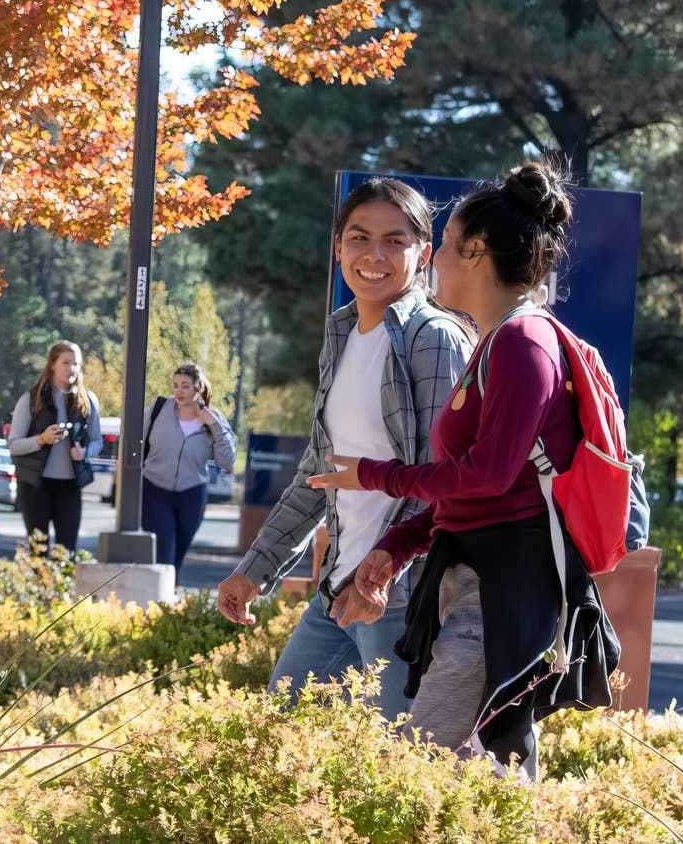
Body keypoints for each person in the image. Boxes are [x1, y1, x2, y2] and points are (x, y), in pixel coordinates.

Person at [307, 159, 619, 774]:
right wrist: (396, 546)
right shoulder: (496, 342)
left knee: (427, 770)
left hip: (502, 592)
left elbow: (488, 476)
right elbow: (479, 493)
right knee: (484, 771)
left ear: (475, 252)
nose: (435, 260)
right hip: (476, 584)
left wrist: (377, 474)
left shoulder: (524, 344)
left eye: (444, 244)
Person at [216, 177, 473, 721]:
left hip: (398, 592)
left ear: (423, 253)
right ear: (338, 249)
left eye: (395, 241)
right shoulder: (341, 333)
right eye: (358, 238)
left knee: (403, 762)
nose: (373, 254)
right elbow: (319, 473)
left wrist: (382, 575)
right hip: (340, 584)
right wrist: (256, 570)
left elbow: (443, 482)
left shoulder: (434, 338)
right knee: (278, 733)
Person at [141, 362, 237, 576]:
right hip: (154, 488)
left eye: (185, 386)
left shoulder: (214, 419)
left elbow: (227, 461)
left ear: (198, 387)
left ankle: (169, 599)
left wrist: (214, 424)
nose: (178, 391)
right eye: (175, 385)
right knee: (164, 550)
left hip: (192, 493)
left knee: (178, 554)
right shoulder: (159, 410)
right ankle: (159, 601)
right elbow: (135, 439)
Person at [7, 340, 103, 555]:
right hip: (35, 485)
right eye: (66, 362)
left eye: (76, 364)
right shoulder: (31, 399)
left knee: (66, 552)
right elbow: (14, 445)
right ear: (52, 364)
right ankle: (37, 588)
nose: (71, 369)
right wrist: (41, 439)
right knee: (38, 552)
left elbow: (98, 441)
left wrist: (84, 452)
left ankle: (61, 589)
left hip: (70, 486)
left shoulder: (88, 401)